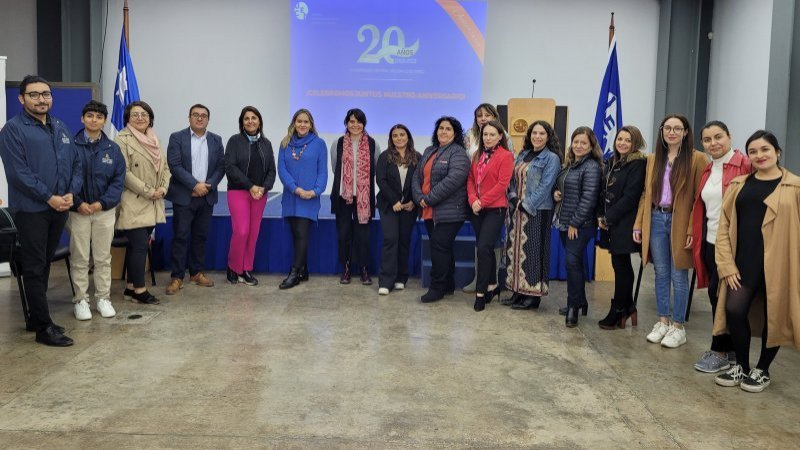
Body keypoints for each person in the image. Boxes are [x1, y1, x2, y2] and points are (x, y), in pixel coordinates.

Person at [712, 130, 800, 393]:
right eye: (753, 151)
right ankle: (741, 364)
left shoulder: (795, 187)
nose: (759, 155)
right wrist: (726, 264)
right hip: (743, 262)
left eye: (765, 149)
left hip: (781, 265)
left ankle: (762, 369)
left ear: (777, 152)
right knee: (734, 310)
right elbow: (724, 227)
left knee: (775, 316)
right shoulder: (739, 185)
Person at [0, 75, 82, 346]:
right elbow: (18, 174)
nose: (41, 99)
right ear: (22, 98)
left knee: (44, 263)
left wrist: (71, 193)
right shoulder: (12, 130)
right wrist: (49, 197)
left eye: (46, 94)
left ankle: (36, 318)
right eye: (34, 95)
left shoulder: (60, 127)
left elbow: (76, 164)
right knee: (35, 267)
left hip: (60, 207)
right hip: (32, 210)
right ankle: (43, 329)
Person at [634, 114, 707, 348]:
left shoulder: (697, 159)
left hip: (680, 221)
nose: (672, 132)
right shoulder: (653, 158)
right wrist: (638, 222)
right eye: (667, 128)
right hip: (656, 218)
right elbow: (646, 194)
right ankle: (663, 321)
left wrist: (691, 228)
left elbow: (699, 198)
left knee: (679, 275)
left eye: (677, 128)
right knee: (661, 272)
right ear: (662, 131)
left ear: (685, 132)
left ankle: (678, 326)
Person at [691, 121, 751, 373]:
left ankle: (720, 351)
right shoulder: (709, 168)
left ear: (729, 136)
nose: (713, 143)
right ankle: (731, 350)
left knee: (724, 296)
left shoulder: (745, 164)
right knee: (715, 295)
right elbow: (704, 207)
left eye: (718, 137)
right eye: (707, 139)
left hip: (733, 244)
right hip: (710, 241)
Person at [67, 100, 125, 321]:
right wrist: (78, 203)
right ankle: (81, 300)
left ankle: (103, 298)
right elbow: (64, 177)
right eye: (90, 116)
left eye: (99, 117)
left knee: (103, 257)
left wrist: (102, 203)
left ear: (104, 121)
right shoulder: (70, 146)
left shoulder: (113, 149)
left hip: (104, 211)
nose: (94, 120)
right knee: (80, 257)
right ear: (82, 118)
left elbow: (118, 182)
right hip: (78, 211)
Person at [165, 104, 225, 295]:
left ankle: (196, 273)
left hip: (206, 196)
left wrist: (208, 185)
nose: (199, 118)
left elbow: (221, 167)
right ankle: (177, 277)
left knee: (200, 236)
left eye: (203, 115)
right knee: (181, 236)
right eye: (195, 115)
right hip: (185, 196)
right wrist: (194, 185)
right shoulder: (177, 137)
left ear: (208, 119)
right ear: (189, 117)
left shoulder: (216, 140)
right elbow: (175, 165)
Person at [116, 100, 171, 305]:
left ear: (150, 118)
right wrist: (148, 191)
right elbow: (124, 173)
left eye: (144, 114)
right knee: (139, 245)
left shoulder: (155, 139)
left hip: (154, 201)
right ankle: (140, 290)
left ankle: (131, 288)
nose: (140, 118)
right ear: (127, 118)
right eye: (135, 114)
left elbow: (165, 169)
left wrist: (163, 189)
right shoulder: (121, 139)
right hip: (134, 200)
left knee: (136, 246)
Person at [412, 116, 470, 303]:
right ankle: (448, 285)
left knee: (439, 247)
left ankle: (437, 288)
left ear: (455, 133)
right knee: (443, 248)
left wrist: (428, 199)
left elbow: (452, 181)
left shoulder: (458, 153)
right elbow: (417, 176)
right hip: (429, 210)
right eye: (441, 128)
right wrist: (419, 197)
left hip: (451, 211)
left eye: (448, 129)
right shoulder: (429, 150)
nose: (443, 132)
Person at [504, 120, 561, 310]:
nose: (537, 136)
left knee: (533, 252)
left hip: (538, 211)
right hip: (516, 210)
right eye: (534, 133)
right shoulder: (523, 154)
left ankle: (532, 296)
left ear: (548, 136)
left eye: (542, 133)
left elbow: (546, 186)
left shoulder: (551, 158)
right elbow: (511, 179)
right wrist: (514, 199)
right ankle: (517, 291)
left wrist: (526, 204)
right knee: (515, 252)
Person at [596, 126, 646, 329]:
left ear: (635, 143)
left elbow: (631, 197)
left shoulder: (637, 163)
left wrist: (608, 218)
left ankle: (618, 310)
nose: (623, 143)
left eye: (628, 140)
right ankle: (628, 306)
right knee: (620, 264)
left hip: (624, 222)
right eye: (620, 139)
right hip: (610, 221)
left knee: (621, 265)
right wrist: (601, 216)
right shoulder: (612, 162)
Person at [553, 126, 602, 327]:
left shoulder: (591, 167)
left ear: (591, 146)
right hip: (565, 221)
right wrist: (556, 193)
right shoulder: (571, 164)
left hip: (580, 225)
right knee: (576, 262)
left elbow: (588, 199)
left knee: (571, 263)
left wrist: (575, 222)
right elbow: (563, 186)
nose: (579, 146)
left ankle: (573, 307)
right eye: (576, 142)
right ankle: (580, 301)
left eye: (583, 142)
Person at [463, 103, 513, 293]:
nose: (483, 118)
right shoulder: (472, 143)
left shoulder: (505, 149)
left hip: (494, 204)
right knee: (482, 244)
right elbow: (470, 176)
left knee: (488, 244)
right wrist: (473, 200)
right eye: (479, 115)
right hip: (475, 203)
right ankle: (486, 280)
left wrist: (482, 201)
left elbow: (503, 182)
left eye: (487, 115)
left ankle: (487, 285)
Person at [224, 106, 276, 286]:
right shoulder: (234, 141)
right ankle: (233, 267)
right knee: (242, 231)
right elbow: (230, 167)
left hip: (259, 194)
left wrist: (264, 188)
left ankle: (245, 269)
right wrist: (250, 186)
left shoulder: (266, 144)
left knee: (253, 234)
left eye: (254, 118)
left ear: (259, 121)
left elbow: (271, 170)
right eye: (246, 118)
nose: (250, 121)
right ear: (242, 122)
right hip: (238, 191)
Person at [277, 109, 328, 289]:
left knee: (301, 233)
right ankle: (303, 270)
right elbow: (281, 169)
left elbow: (322, 172)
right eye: (299, 121)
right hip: (291, 196)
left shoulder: (319, 144)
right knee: (296, 234)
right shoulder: (285, 143)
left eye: (306, 122)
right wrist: (295, 189)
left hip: (309, 198)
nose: (302, 124)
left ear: (311, 124)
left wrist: (314, 191)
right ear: (294, 123)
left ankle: (294, 273)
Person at [330, 108, 380, 285]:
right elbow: (335, 168)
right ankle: (346, 269)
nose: (355, 125)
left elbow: (375, 169)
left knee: (363, 236)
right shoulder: (338, 143)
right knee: (344, 234)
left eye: (359, 122)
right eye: (352, 121)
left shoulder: (373, 144)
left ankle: (364, 269)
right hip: (344, 197)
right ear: (346, 123)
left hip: (363, 198)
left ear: (364, 124)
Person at [376, 124, 420, 295]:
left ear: (408, 137)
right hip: (388, 205)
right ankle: (386, 281)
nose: (399, 138)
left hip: (409, 207)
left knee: (404, 241)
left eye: (402, 134)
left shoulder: (417, 157)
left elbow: (421, 181)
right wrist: (394, 200)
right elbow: (381, 180)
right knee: (391, 239)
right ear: (391, 139)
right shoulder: (384, 156)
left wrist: (413, 202)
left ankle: (401, 278)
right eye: (395, 135)